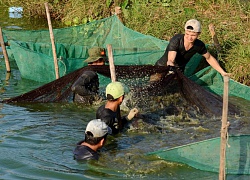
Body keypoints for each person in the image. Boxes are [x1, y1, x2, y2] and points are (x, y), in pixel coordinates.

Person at [155, 19, 230, 76]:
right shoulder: (176, 40)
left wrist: (222, 72)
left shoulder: (199, 45)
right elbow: (171, 59)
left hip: (179, 71)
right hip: (163, 66)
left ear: (198, 34)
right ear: (185, 31)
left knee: (174, 91)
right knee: (153, 84)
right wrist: (171, 68)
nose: (189, 37)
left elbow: (209, 58)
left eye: (193, 35)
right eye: (187, 34)